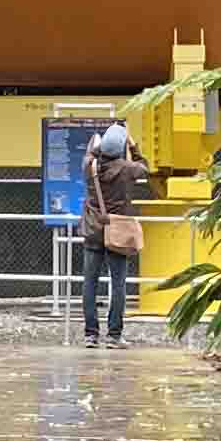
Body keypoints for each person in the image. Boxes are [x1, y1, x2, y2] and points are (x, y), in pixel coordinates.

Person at [77, 121, 150, 341]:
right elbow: (144, 166)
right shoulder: (127, 169)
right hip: (117, 231)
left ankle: (91, 334)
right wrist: (133, 146)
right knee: (118, 284)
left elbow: (91, 151)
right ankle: (114, 335)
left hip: (93, 231)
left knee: (90, 283)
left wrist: (100, 143)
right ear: (121, 148)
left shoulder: (89, 165)